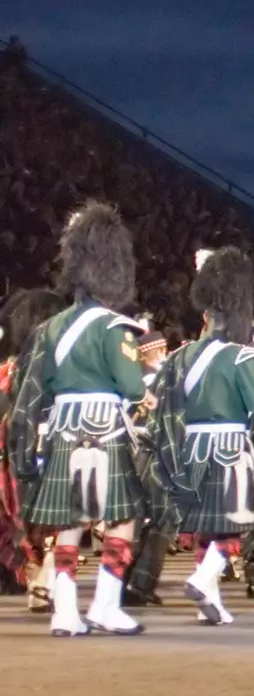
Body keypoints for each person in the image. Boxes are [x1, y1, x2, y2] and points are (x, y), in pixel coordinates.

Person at [18, 201, 152, 637]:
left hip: (62, 430)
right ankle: (106, 605)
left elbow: (37, 386)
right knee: (123, 518)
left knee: (69, 523)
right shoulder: (115, 327)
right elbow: (132, 386)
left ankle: (65, 611)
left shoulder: (51, 327)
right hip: (105, 429)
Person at [164, 247, 254, 625]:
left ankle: (208, 601)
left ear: (205, 314)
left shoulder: (180, 356)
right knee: (231, 525)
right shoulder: (238, 357)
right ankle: (202, 576)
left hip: (191, 447)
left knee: (207, 528)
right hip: (228, 446)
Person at [0, 287, 63, 603]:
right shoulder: (50, 367)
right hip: (43, 443)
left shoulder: (9, 369)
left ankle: (38, 575)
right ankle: (44, 574)